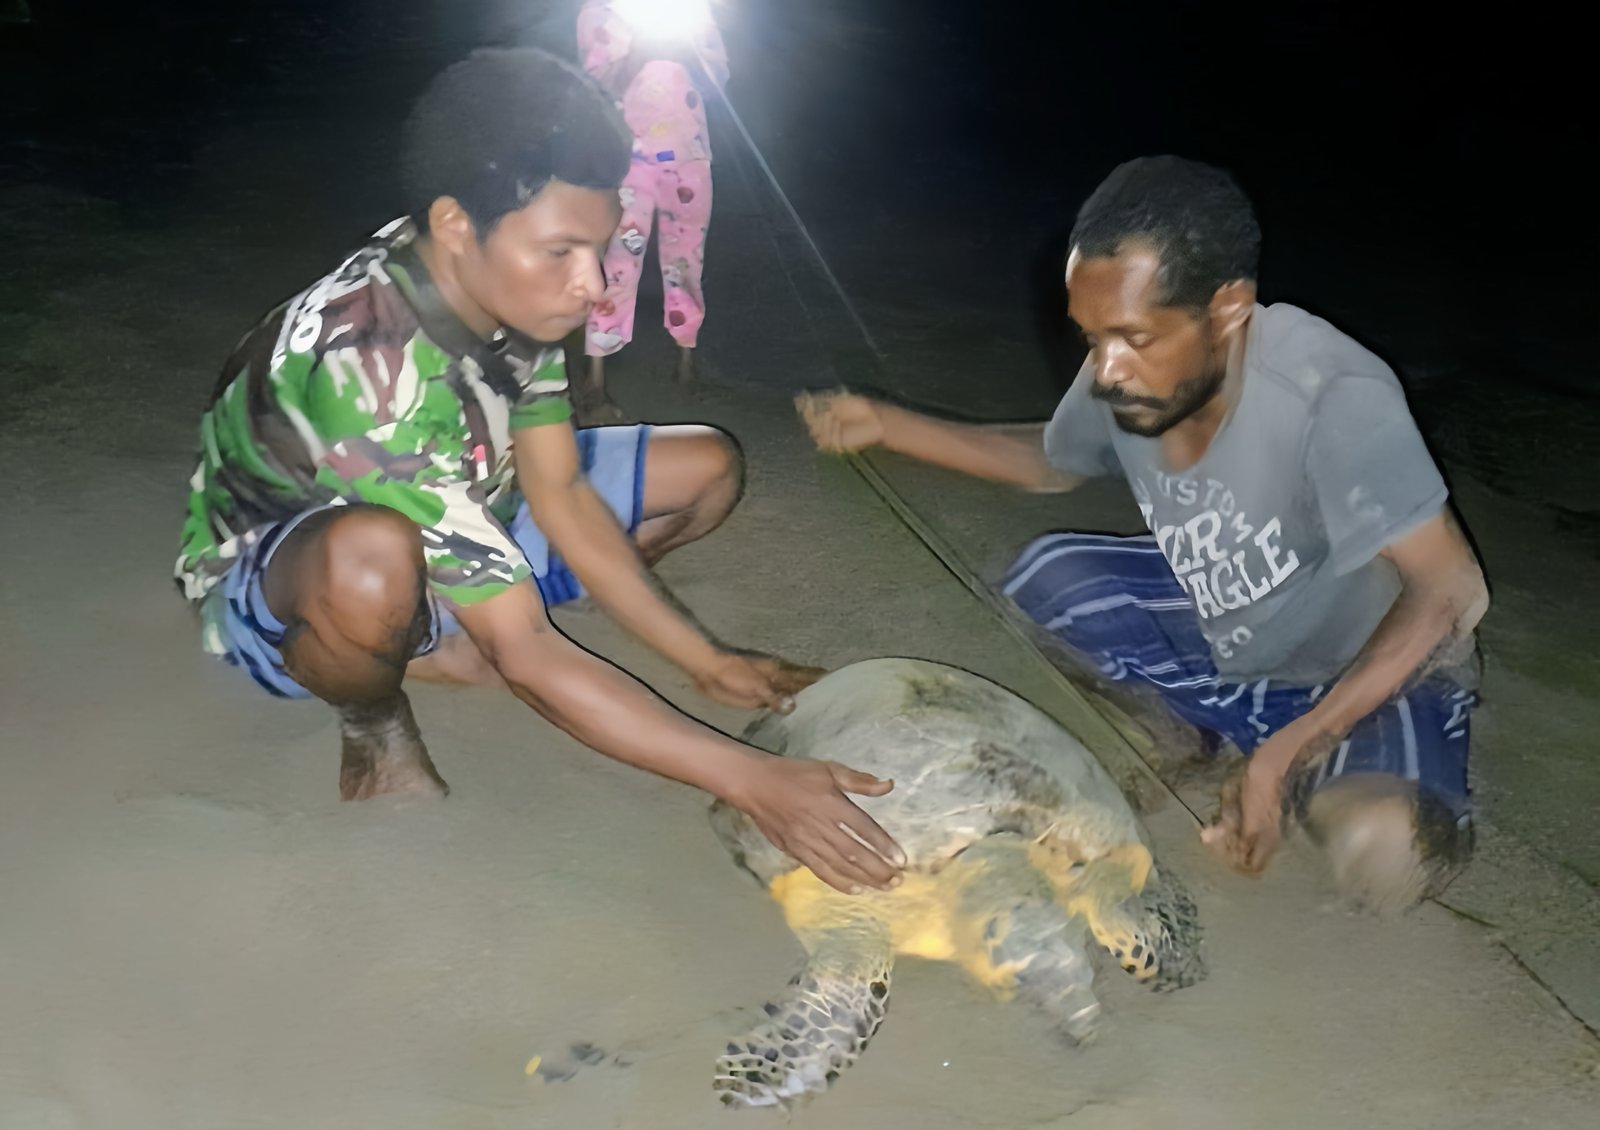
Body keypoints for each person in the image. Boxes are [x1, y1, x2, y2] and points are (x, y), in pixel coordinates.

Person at [173, 47, 904, 897]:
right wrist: (751, 778)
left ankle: (463, 614)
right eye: (562, 251)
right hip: (280, 579)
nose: (593, 285)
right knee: (375, 563)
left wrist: (702, 656)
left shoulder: (500, 279)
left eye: (599, 247)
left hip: (459, 490)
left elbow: (559, 489)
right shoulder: (367, 370)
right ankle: (377, 713)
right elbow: (525, 652)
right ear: (455, 224)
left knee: (708, 467)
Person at [799, 156, 1488, 912]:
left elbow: (1449, 588)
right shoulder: (1124, 365)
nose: (1106, 371)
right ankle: (1193, 735)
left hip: (1363, 666)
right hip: (1232, 636)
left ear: (1228, 309)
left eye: (1132, 338)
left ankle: (1302, 759)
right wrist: (889, 425)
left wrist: (1290, 752)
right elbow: (1051, 461)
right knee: (1048, 576)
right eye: (1092, 338)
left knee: (1383, 854)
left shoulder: (1328, 388)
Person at [575, 0, 728, 413]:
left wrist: (687, 53)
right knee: (618, 264)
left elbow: (716, 81)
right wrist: (639, 52)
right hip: (631, 160)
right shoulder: (601, 10)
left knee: (687, 263)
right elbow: (596, 85)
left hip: (689, 157)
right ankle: (595, 379)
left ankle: (686, 365)